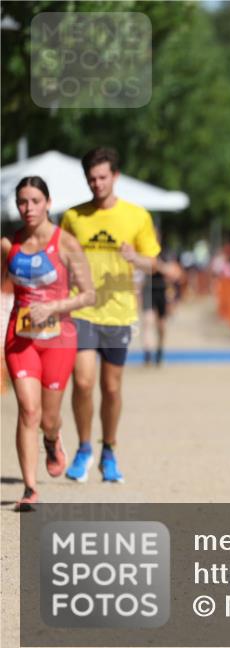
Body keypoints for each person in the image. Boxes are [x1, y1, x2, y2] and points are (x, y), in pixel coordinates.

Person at [61, 147, 161, 483]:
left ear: (115, 176)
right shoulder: (73, 217)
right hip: (82, 308)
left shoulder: (137, 216)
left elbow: (153, 263)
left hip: (119, 313)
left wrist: (135, 258)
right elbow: (60, 257)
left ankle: (109, 449)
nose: (97, 184)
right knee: (83, 381)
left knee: (112, 388)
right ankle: (84, 447)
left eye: (103, 177)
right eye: (91, 178)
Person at [3, 176, 95, 510]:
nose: (28, 208)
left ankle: (53, 440)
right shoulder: (8, 243)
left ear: (48, 203)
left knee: (48, 418)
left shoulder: (66, 243)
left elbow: (89, 294)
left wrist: (54, 306)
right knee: (29, 409)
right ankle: (29, 489)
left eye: (35, 201)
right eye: (22, 202)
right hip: (20, 338)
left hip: (58, 340)